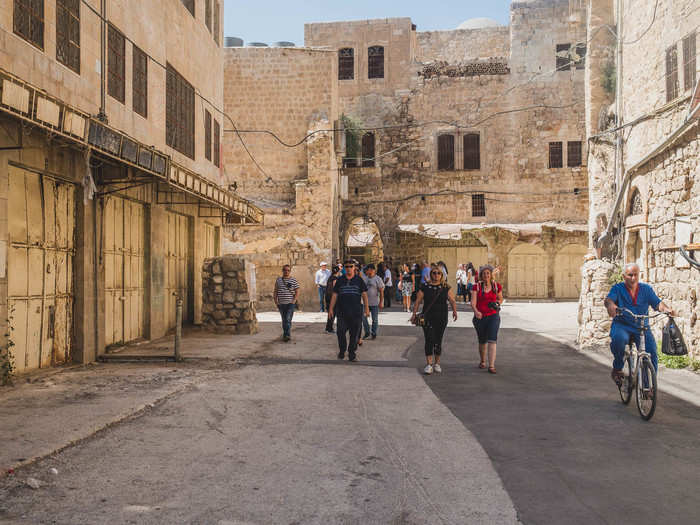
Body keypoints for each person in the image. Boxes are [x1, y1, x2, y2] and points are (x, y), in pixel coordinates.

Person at [604, 262, 674, 385]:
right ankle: (618, 368)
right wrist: (611, 306)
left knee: (651, 353)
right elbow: (609, 300)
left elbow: (657, 303)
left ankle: (648, 388)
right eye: (630, 275)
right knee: (618, 340)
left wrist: (666, 309)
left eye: (635, 275)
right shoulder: (618, 289)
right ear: (624, 276)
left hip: (642, 327)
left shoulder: (646, 289)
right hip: (622, 325)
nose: (633, 278)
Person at [412, 265, 458, 375]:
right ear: (430, 274)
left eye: (438, 273)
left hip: (442, 317)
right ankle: (429, 364)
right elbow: (418, 301)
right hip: (428, 317)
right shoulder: (425, 286)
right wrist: (414, 314)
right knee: (429, 339)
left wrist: (454, 311)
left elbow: (452, 300)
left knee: (438, 340)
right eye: (434, 273)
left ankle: (437, 363)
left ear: (441, 275)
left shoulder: (445, 287)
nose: (436, 275)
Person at [329, 260, 369, 362]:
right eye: (346, 267)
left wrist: (367, 309)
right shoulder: (340, 280)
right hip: (342, 312)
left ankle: (352, 353)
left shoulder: (359, 280)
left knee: (354, 334)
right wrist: (330, 309)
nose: (348, 268)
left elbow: (364, 294)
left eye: (350, 266)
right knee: (340, 332)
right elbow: (335, 295)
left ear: (354, 267)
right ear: (344, 268)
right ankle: (342, 350)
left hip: (356, 313)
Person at [471, 265, 503, 374]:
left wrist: (497, 303)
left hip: (493, 316)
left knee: (492, 340)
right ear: (481, 275)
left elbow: (500, 298)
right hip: (480, 317)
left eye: (488, 273)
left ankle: (492, 366)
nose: (486, 275)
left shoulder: (496, 286)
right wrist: (476, 312)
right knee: (482, 340)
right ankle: (483, 360)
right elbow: (473, 302)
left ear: (490, 275)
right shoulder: (477, 287)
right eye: (484, 273)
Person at [273, 265, 300, 342]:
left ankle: (287, 335)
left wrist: (293, 301)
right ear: (282, 270)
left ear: (290, 271)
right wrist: (276, 301)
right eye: (285, 270)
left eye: (288, 270)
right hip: (281, 304)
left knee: (287, 319)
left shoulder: (293, 280)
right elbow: (275, 291)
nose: (286, 271)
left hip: (290, 304)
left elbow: (297, 291)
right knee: (284, 320)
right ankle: (286, 334)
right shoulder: (278, 280)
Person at [361, 264, 384, 340]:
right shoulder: (365, 279)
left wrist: (381, 302)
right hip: (365, 303)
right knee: (364, 318)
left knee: (375, 320)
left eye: (367, 270)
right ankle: (367, 332)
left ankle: (374, 333)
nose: (366, 271)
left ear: (371, 270)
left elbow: (381, 291)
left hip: (374, 303)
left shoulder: (378, 279)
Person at [324, 265, 342, 333]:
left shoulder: (330, 277)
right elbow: (335, 288)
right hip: (332, 298)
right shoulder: (335, 279)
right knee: (332, 313)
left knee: (330, 312)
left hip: (328, 297)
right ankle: (329, 328)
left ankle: (328, 328)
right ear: (338, 271)